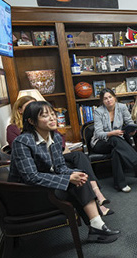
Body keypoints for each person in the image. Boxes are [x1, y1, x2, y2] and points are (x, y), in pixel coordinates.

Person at [8, 101, 120, 241]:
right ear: (31, 121)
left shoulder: (54, 137)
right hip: (29, 194)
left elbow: (60, 167)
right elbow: (31, 177)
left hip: (45, 186)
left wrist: (74, 174)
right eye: (45, 115)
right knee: (74, 183)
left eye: (52, 114)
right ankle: (96, 227)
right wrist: (68, 179)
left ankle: (97, 226)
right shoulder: (22, 142)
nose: (52, 118)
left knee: (80, 178)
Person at [91, 88, 137, 192]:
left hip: (117, 142)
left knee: (116, 151)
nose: (108, 100)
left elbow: (129, 122)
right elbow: (98, 133)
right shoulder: (98, 112)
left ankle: (120, 184)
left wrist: (132, 130)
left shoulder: (122, 107)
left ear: (114, 97)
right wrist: (112, 133)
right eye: (105, 99)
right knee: (114, 138)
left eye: (110, 97)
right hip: (100, 143)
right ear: (102, 101)